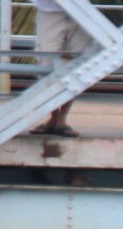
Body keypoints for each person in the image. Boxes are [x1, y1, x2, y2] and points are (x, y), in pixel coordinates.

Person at [30, 0, 90, 137]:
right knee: (46, 65)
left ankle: (61, 119)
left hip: (80, 11)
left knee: (75, 66)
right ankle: (54, 115)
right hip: (49, 10)